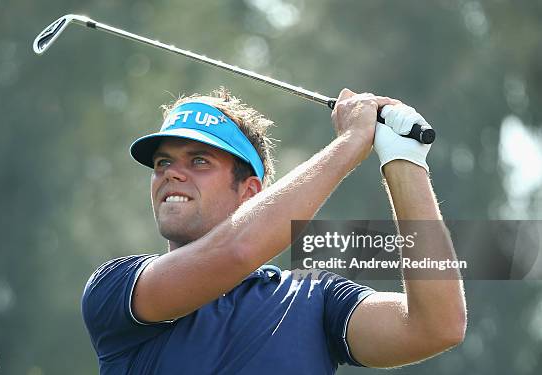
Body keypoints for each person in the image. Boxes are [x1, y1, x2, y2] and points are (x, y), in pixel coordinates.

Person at [81, 87, 467, 374]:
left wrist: (404, 159)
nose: (171, 173)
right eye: (162, 162)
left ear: (249, 192)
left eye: (199, 160)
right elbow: (237, 250)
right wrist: (351, 142)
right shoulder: (117, 289)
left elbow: (437, 326)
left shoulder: (316, 301)